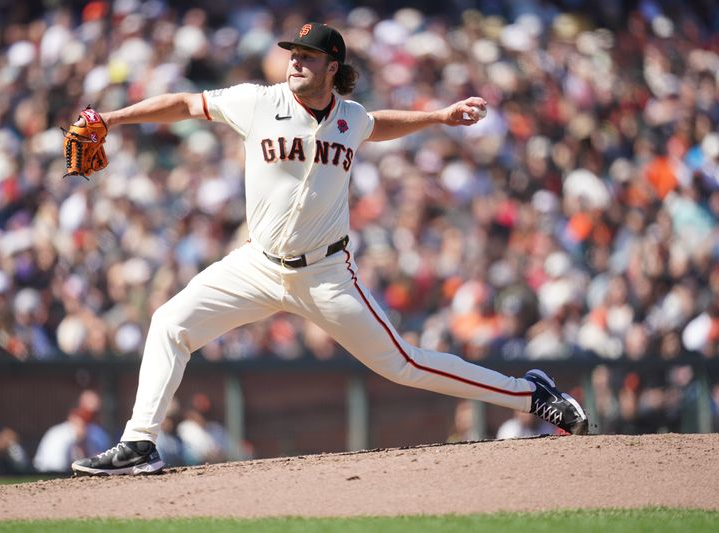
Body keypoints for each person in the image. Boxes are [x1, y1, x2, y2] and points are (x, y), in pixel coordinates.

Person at [71, 22, 588, 476]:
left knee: (404, 364)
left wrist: (437, 117)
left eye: (307, 56)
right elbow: (186, 104)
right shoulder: (259, 101)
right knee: (169, 322)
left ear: (332, 65)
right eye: (292, 54)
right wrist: (112, 119)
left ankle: (532, 394)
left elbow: (375, 124)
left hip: (325, 274)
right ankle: (140, 443)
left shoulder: (351, 116)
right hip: (256, 264)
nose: (295, 62)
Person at [33, 389, 111, 473]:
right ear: (75, 412)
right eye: (86, 412)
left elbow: (105, 464)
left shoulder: (99, 434)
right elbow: (53, 467)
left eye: (94, 413)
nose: (90, 417)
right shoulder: (57, 434)